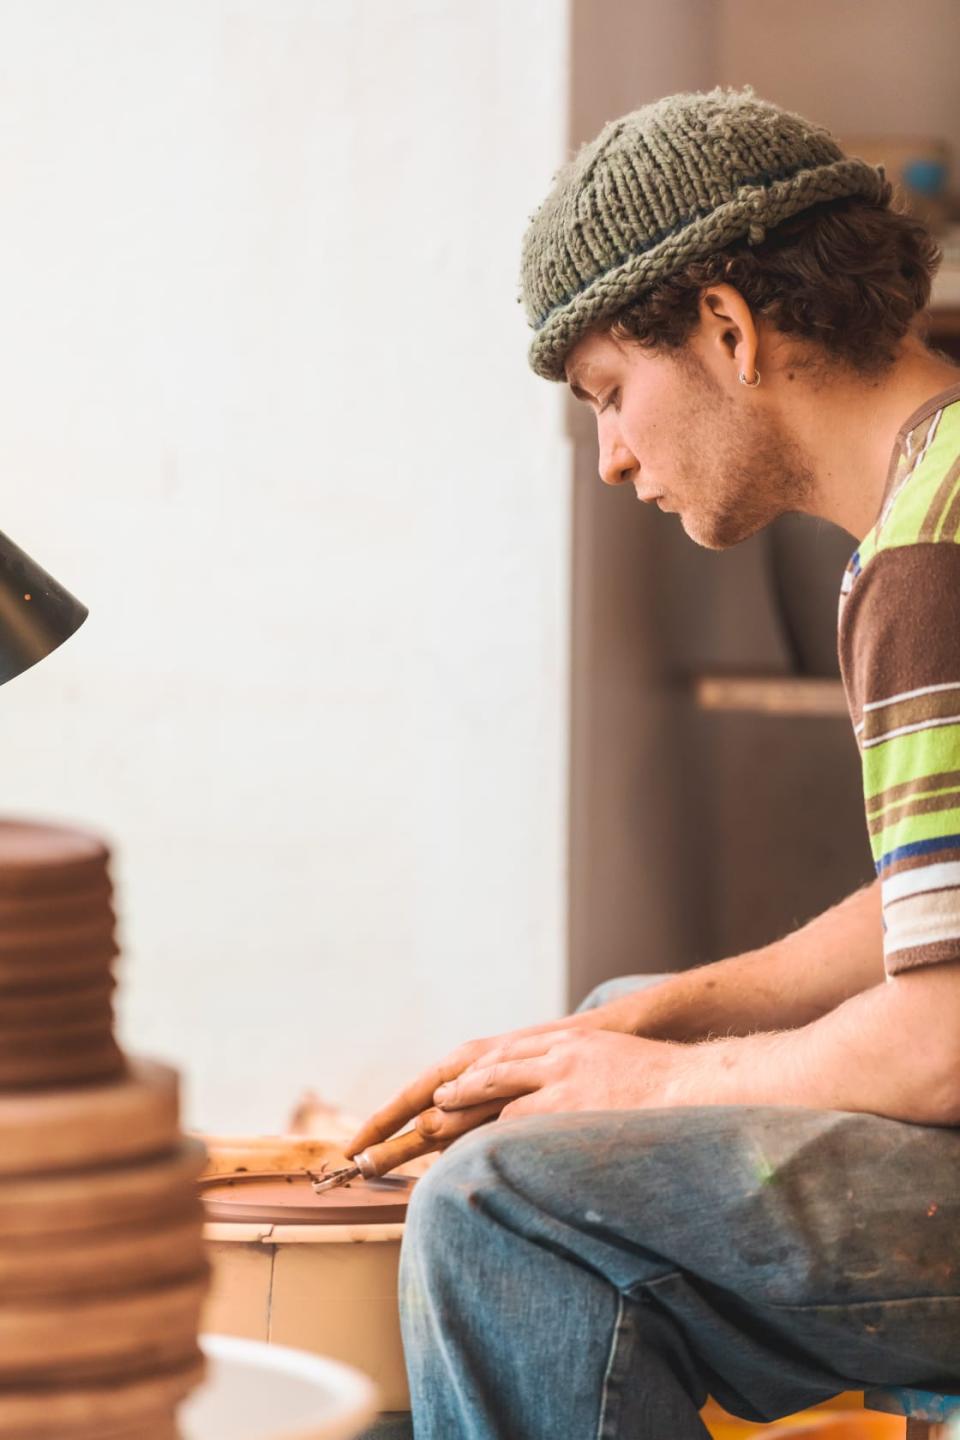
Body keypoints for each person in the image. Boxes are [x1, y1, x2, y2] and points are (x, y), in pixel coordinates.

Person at [350, 89, 960, 1439]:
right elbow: (939, 912)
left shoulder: (932, 563)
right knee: (618, 1014)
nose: (617, 460)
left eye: (613, 398)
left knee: (504, 1206)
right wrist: (664, 1017)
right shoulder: (932, 502)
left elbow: (944, 1044)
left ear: (730, 330)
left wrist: (661, 1082)